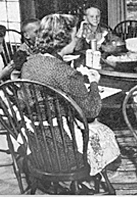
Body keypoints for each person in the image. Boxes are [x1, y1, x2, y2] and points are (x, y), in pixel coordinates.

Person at [20, 13, 120, 178]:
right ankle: (98, 174)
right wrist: (93, 82)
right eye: (75, 35)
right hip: (63, 146)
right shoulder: (65, 72)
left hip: (37, 141)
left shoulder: (30, 63)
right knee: (105, 131)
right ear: (63, 38)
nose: (78, 38)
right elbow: (91, 111)